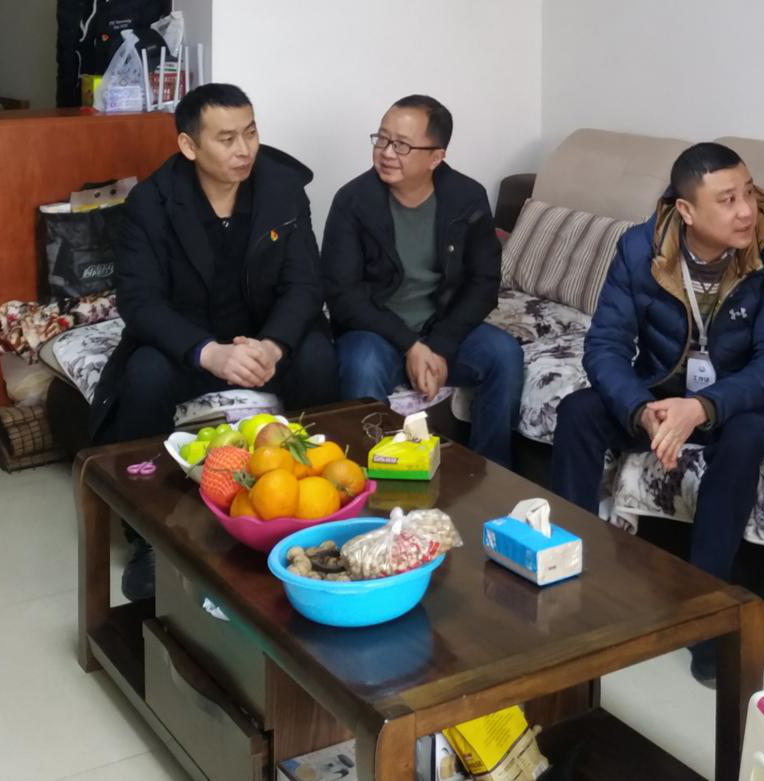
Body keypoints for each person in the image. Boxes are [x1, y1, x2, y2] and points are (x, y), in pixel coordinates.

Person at [551, 142, 764, 685]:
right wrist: (641, 410)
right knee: (578, 412)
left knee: (742, 440)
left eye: (749, 193)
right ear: (686, 210)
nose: (746, 211)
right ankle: (563, 582)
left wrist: (702, 407)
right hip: (662, 391)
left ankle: (705, 618)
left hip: (749, 400)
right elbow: (604, 346)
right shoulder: (640, 248)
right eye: (727, 200)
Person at [90, 83, 337, 600]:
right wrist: (210, 353)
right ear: (189, 145)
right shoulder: (151, 202)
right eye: (226, 139)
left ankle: (313, 506)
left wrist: (272, 345)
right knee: (145, 375)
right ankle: (148, 536)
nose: (244, 150)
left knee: (316, 355)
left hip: (263, 335)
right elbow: (139, 301)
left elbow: (305, 284)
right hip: (191, 341)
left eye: (251, 133)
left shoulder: (283, 189)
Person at [322, 95, 521, 467]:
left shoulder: (466, 197)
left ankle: (492, 474)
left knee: (504, 354)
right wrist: (411, 346)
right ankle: (369, 480)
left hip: (441, 327)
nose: (386, 152)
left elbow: (483, 282)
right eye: (382, 139)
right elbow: (342, 295)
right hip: (376, 333)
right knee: (361, 365)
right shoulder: (353, 201)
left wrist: (440, 346)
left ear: (435, 157)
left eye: (401, 145)